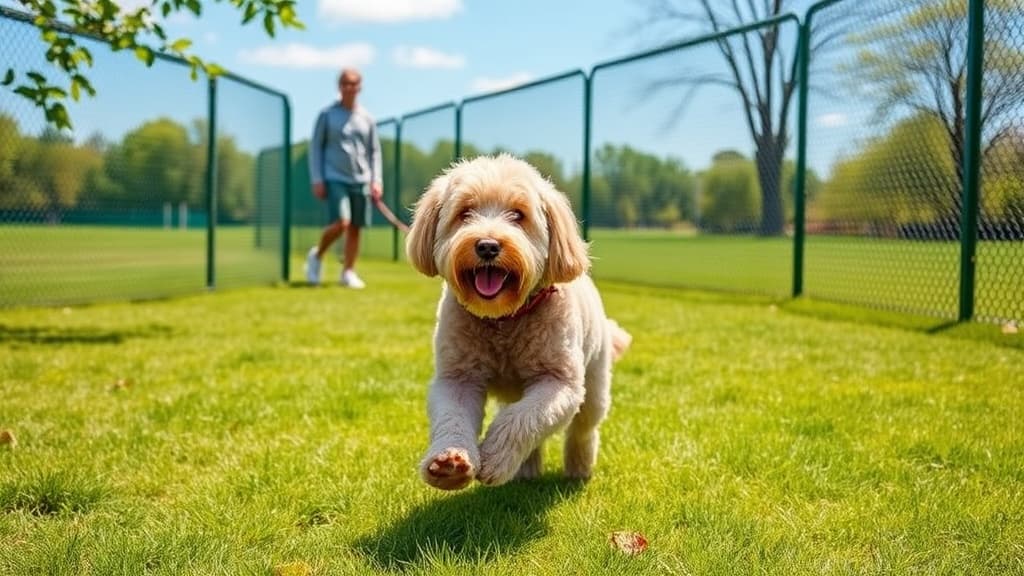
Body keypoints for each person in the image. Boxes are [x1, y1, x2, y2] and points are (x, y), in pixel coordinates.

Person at [306, 67, 383, 288]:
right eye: (345, 83)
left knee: (356, 227)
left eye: (353, 84)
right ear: (339, 87)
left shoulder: (367, 119)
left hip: (361, 179)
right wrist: (317, 178)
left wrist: (376, 180)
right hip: (334, 176)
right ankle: (317, 255)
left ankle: (348, 272)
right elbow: (316, 148)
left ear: (359, 87)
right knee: (342, 223)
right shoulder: (327, 115)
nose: (349, 88)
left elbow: (374, 151)